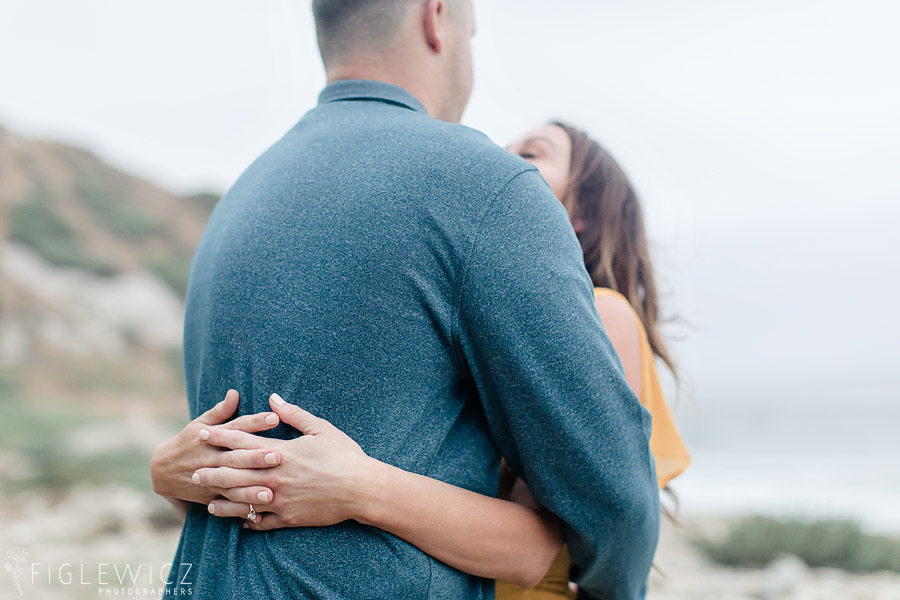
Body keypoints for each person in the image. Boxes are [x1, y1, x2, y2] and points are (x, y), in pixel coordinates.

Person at [150, 1, 660, 598]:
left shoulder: (237, 202)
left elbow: (221, 487)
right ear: (435, 18)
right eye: (473, 29)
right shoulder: (480, 185)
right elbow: (614, 501)